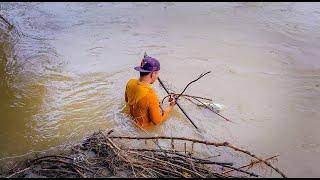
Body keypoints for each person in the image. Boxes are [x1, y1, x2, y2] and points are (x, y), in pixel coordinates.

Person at [124, 54, 176, 129]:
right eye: (157, 73)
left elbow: (127, 101)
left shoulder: (130, 82)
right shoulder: (150, 95)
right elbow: (157, 121)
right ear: (152, 74)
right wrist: (171, 107)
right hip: (142, 130)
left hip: (130, 123)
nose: (157, 76)